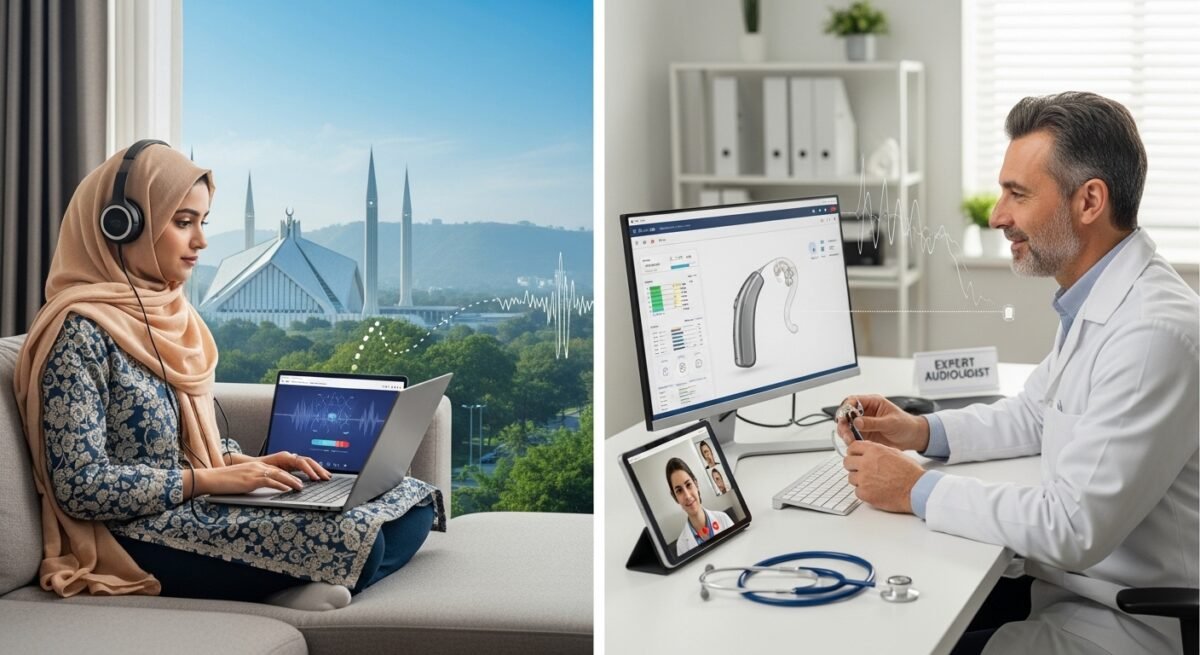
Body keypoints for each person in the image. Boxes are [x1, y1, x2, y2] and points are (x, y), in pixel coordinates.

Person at [837, 92, 1198, 655]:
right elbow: (1036, 412)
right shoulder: (1099, 296)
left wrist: (916, 489)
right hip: (1075, 591)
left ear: (1090, 201)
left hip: (1127, 622)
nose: (997, 215)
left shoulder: (1152, 332)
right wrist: (921, 433)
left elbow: (1072, 526)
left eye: (1018, 194)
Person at [13, 141, 444, 608]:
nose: (200, 241)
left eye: (203, 222)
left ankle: (288, 582)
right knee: (365, 541)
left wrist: (249, 465)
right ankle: (288, 584)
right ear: (121, 226)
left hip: (196, 505)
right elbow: (81, 487)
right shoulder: (78, 334)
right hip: (135, 532)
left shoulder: (172, 316)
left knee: (412, 502)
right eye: (182, 223)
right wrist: (209, 481)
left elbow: (188, 445)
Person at [666, 457, 733, 557]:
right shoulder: (682, 545)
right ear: (675, 498)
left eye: (688, 485)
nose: (687, 496)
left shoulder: (723, 519)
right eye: (679, 491)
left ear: (696, 485)